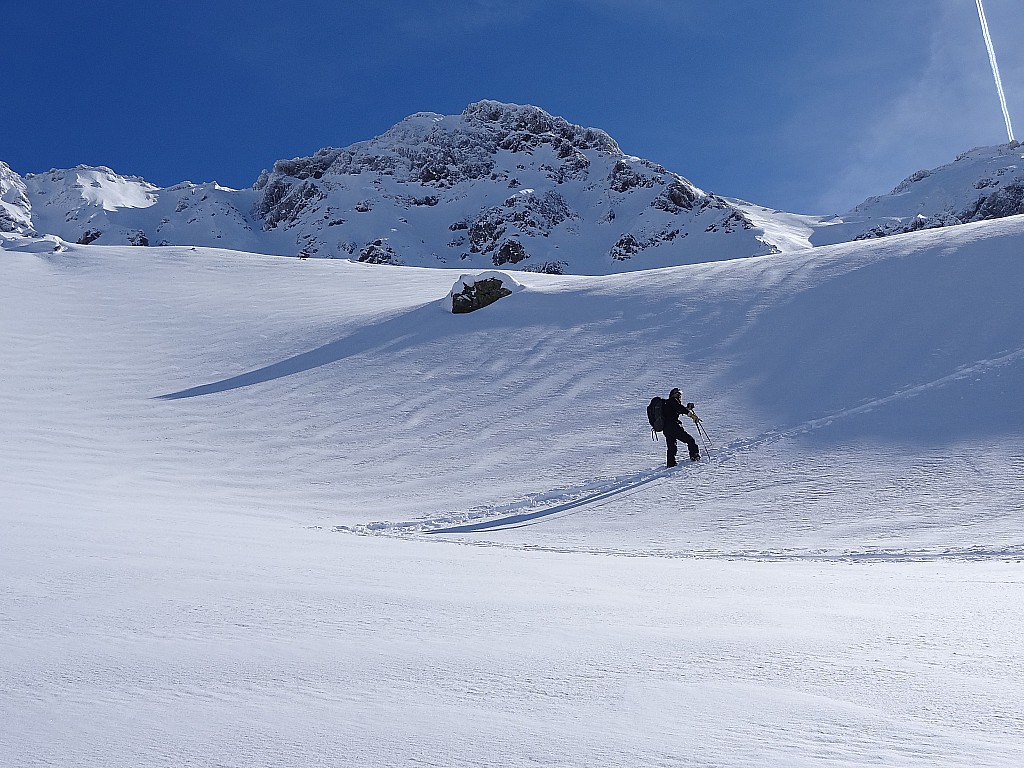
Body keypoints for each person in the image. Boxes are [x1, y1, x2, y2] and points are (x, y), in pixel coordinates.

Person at [663, 388, 700, 467]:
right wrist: (692, 415)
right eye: (678, 394)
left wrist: (688, 409)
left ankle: (671, 464)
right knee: (690, 440)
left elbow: (678, 409)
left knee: (671, 446)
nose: (679, 396)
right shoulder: (673, 402)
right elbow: (680, 408)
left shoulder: (667, 403)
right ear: (673, 395)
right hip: (674, 426)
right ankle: (694, 456)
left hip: (666, 428)